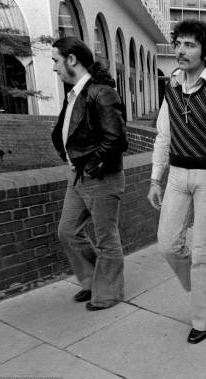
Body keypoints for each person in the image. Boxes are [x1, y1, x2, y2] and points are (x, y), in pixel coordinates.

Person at [147, 19, 206, 345]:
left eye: (189, 44)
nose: (180, 50)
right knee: (167, 243)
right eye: (178, 44)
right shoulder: (171, 87)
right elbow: (163, 136)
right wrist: (155, 179)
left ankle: (202, 318)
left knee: (202, 251)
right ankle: (201, 279)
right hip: (177, 174)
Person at [51, 37, 128, 311]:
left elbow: (116, 139)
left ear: (72, 59)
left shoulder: (101, 92)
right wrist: (71, 159)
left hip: (100, 176)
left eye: (56, 61)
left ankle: (109, 292)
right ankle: (95, 280)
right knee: (67, 231)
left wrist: (92, 166)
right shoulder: (74, 93)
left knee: (107, 238)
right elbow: (67, 134)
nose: (54, 68)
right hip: (79, 176)